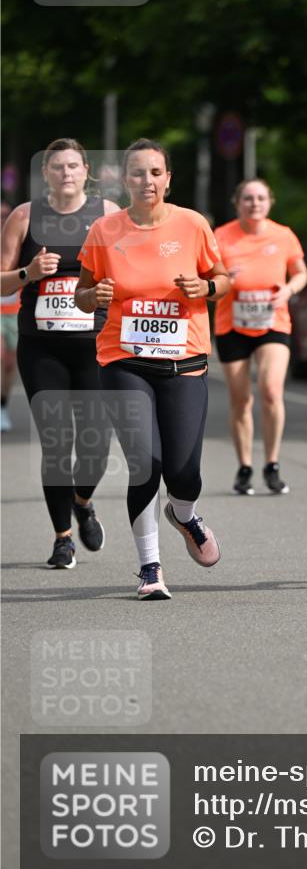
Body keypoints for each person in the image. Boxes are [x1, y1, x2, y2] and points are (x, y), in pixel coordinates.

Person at [75, 138, 230, 601]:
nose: (147, 181)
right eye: (138, 173)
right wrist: (93, 298)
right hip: (125, 360)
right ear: (125, 180)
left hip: (185, 360)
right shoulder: (105, 230)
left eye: (156, 173)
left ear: (168, 178)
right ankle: (149, 568)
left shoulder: (192, 224)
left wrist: (203, 287)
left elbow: (222, 280)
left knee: (184, 471)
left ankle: (184, 514)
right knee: (145, 462)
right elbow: (83, 294)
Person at [0, 139, 119, 568]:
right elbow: (1, 281)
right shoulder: (25, 216)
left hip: (94, 345)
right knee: (56, 443)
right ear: (45, 173)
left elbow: (129, 269)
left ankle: (82, 501)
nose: (65, 173)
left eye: (73, 166)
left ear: (86, 170)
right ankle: (62, 538)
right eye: (57, 167)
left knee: (95, 447)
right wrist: (27, 273)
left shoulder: (107, 216)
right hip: (42, 347)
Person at [213, 179, 307, 496]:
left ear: (270, 202)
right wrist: (224, 279)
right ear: (237, 203)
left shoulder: (283, 235)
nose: (254, 204)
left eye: (260, 198)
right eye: (248, 199)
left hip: (272, 321)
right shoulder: (221, 236)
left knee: (270, 390)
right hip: (232, 324)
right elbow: (207, 278)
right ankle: (244, 467)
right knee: (240, 399)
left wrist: (289, 290)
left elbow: (301, 272)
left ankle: (271, 464)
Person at [0, 198, 18, 431]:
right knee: (0, 355)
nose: (3, 219)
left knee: (10, 364)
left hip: (15, 311)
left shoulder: (17, 240)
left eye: (6, 215)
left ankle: (3, 406)